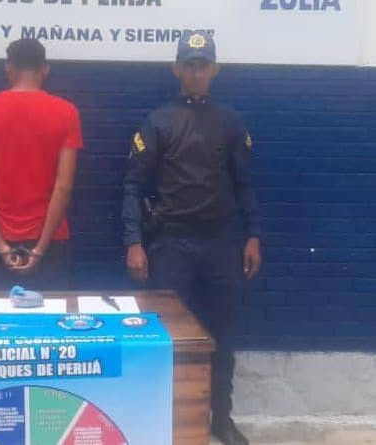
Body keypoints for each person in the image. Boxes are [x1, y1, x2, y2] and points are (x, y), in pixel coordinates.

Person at [122, 31, 262, 445]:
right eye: (189, 65)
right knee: (166, 337)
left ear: (214, 70)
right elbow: (132, 185)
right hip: (171, 246)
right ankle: (163, 422)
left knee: (222, 336)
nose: (196, 72)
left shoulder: (230, 121)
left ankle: (221, 419)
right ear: (176, 69)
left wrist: (253, 235)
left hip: (220, 244)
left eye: (203, 65)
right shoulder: (158, 121)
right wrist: (133, 242)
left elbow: (245, 184)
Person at [0, 38, 83, 290]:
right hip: (51, 239)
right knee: (51, 313)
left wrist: (1, 247)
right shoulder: (67, 113)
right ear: (45, 69)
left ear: (9, 67)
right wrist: (39, 250)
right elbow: (63, 187)